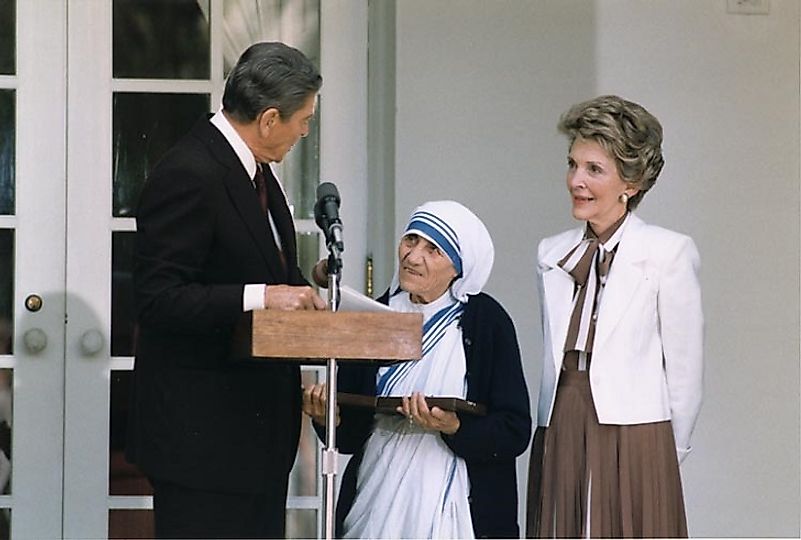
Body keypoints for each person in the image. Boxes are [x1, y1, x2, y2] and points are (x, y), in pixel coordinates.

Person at [125, 42, 327, 539]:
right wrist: (262, 295)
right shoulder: (189, 172)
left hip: (254, 443)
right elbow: (157, 298)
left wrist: (305, 285)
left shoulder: (257, 171)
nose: (305, 132)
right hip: (204, 447)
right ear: (269, 118)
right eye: (303, 120)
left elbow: (261, 266)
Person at [526, 95, 704, 538]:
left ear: (632, 182)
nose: (576, 181)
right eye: (573, 165)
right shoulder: (551, 253)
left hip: (639, 430)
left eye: (593, 170)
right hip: (562, 418)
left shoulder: (669, 253)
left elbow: (684, 372)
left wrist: (665, 450)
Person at [304, 200, 531, 539]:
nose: (412, 257)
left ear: (459, 266)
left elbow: (514, 429)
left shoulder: (488, 323)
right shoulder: (373, 315)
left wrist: (455, 426)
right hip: (377, 491)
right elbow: (350, 434)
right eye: (411, 240)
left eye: (433, 249)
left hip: (461, 501)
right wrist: (326, 418)